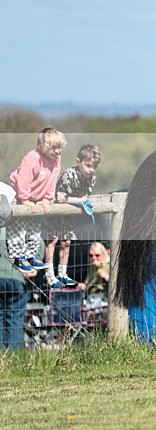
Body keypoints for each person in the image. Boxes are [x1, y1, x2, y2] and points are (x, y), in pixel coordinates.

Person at [6, 127, 78, 287]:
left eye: (60, 148)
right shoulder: (33, 158)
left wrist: (47, 199)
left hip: (37, 198)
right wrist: (24, 199)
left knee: (35, 227)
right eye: (54, 148)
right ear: (43, 146)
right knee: (19, 227)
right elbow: (23, 179)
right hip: (20, 195)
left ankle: (31, 255)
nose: (58, 151)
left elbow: (52, 181)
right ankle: (19, 256)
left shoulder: (56, 160)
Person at [50, 144, 102, 287]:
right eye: (88, 165)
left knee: (67, 242)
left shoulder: (92, 178)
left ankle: (62, 273)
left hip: (68, 214)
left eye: (95, 167)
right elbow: (59, 198)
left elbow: (83, 198)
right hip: (54, 212)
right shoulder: (68, 175)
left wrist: (69, 199)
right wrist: (72, 200)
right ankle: (49, 273)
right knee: (52, 241)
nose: (91, 170)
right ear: (78, 161)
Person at [1, 190, 29, 349]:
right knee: (15, 320)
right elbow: (38, 244)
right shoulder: (18, 223)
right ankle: (15, 357)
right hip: (16, 277)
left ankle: (1, 358)